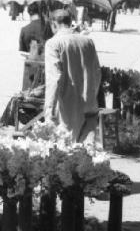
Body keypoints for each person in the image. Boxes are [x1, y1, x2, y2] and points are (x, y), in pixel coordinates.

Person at [44, 10, 102, 142]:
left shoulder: (53, 43)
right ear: (70, 22)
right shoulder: (88, 41)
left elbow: (54, 78)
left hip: (65, 105)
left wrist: (49, 110)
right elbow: (97, 72)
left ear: (54, 24)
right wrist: (92, 95)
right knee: (86, 152)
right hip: (89, 103)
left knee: (63, 152)